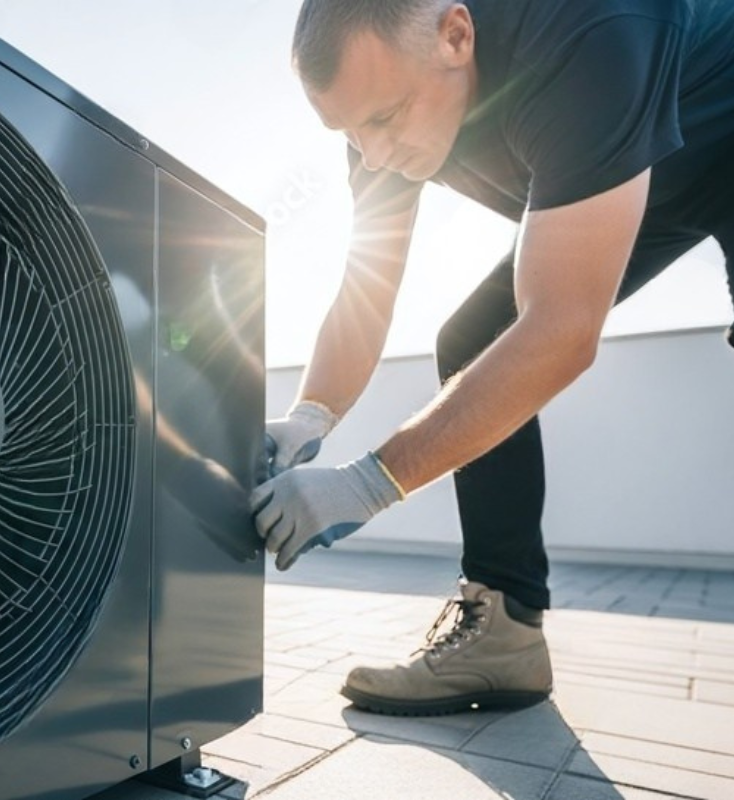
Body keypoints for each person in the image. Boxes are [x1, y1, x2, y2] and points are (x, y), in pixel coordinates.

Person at [251, 0, 734, 716]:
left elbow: (563, 334)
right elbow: (367, 289)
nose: (372, 155)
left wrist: (367, 484)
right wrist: (311, 413)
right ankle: (503, 634)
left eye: (382, 121)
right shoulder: (379, 116)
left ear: (456, 34)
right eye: (348, 132)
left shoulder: (585, 31)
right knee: (473, 338)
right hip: (641, 168)